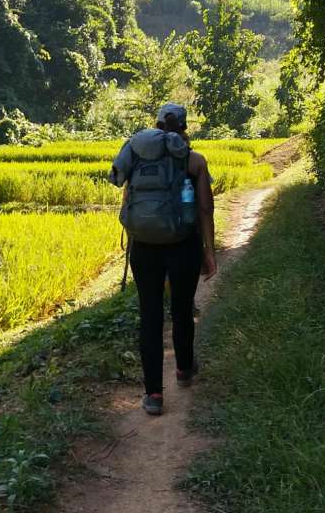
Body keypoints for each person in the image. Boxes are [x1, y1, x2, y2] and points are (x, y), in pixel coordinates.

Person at [113, 103, 217, 416]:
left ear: (156, 126)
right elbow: (205, 210)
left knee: (150, 314)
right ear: (184, 128)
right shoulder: (193, 159)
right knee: (182, 308)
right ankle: (184, 369)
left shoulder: (138, 154)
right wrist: (209, 252)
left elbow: (128, 199)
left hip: (144, 247)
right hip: (183, 244)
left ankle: (154, 394)